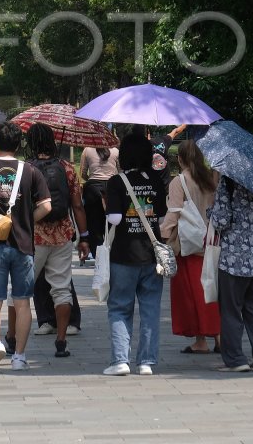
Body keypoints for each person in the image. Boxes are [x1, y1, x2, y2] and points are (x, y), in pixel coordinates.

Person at [0, 122, 52, 373]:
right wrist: (25, 219)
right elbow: (47, 206)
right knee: (23, 302)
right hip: (24, 245)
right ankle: (20, 357)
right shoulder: (31, 171)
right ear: (18, 145)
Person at [103, 132, 168, 376]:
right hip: (152, 255)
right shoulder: (155, 180)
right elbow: (161, 217)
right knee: (151, 309)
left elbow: (115, 219)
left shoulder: (117, 182)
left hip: (124, 254)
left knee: (120, 307)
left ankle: (120, 360)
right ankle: (146, 362)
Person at [25, 122, 89, 358]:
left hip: (35, 235)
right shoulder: (68, 167)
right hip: (63, 234)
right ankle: (61, 341)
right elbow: (77, 206)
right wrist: (84, 237)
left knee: (22, 287)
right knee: (62, 288)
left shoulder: (27, 168)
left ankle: (13, 338)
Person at [210, 171, 253, 372]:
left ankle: (235, 359)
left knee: (230, 310)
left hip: (234, 260)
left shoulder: (228, 181)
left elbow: (221, 220)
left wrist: (209, 212)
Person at [160, 139, 220, 355]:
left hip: (188, 244)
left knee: (192, 293)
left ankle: (200, 340)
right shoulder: (210, 179)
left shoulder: (180, 181)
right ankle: (219, 336)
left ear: (180, 158)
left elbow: (174, 212)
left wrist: (163, 235)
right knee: (211, 288)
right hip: (211, 240)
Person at [79, 143, 120, 259]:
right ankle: (112, 253)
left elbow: (82, 173)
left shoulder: (87, 149)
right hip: (112, 188)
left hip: (92, 188)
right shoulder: (115, 151)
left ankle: (99, 257)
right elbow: (120, 171)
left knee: (93, 224)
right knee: (112, 223)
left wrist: (92, 178)